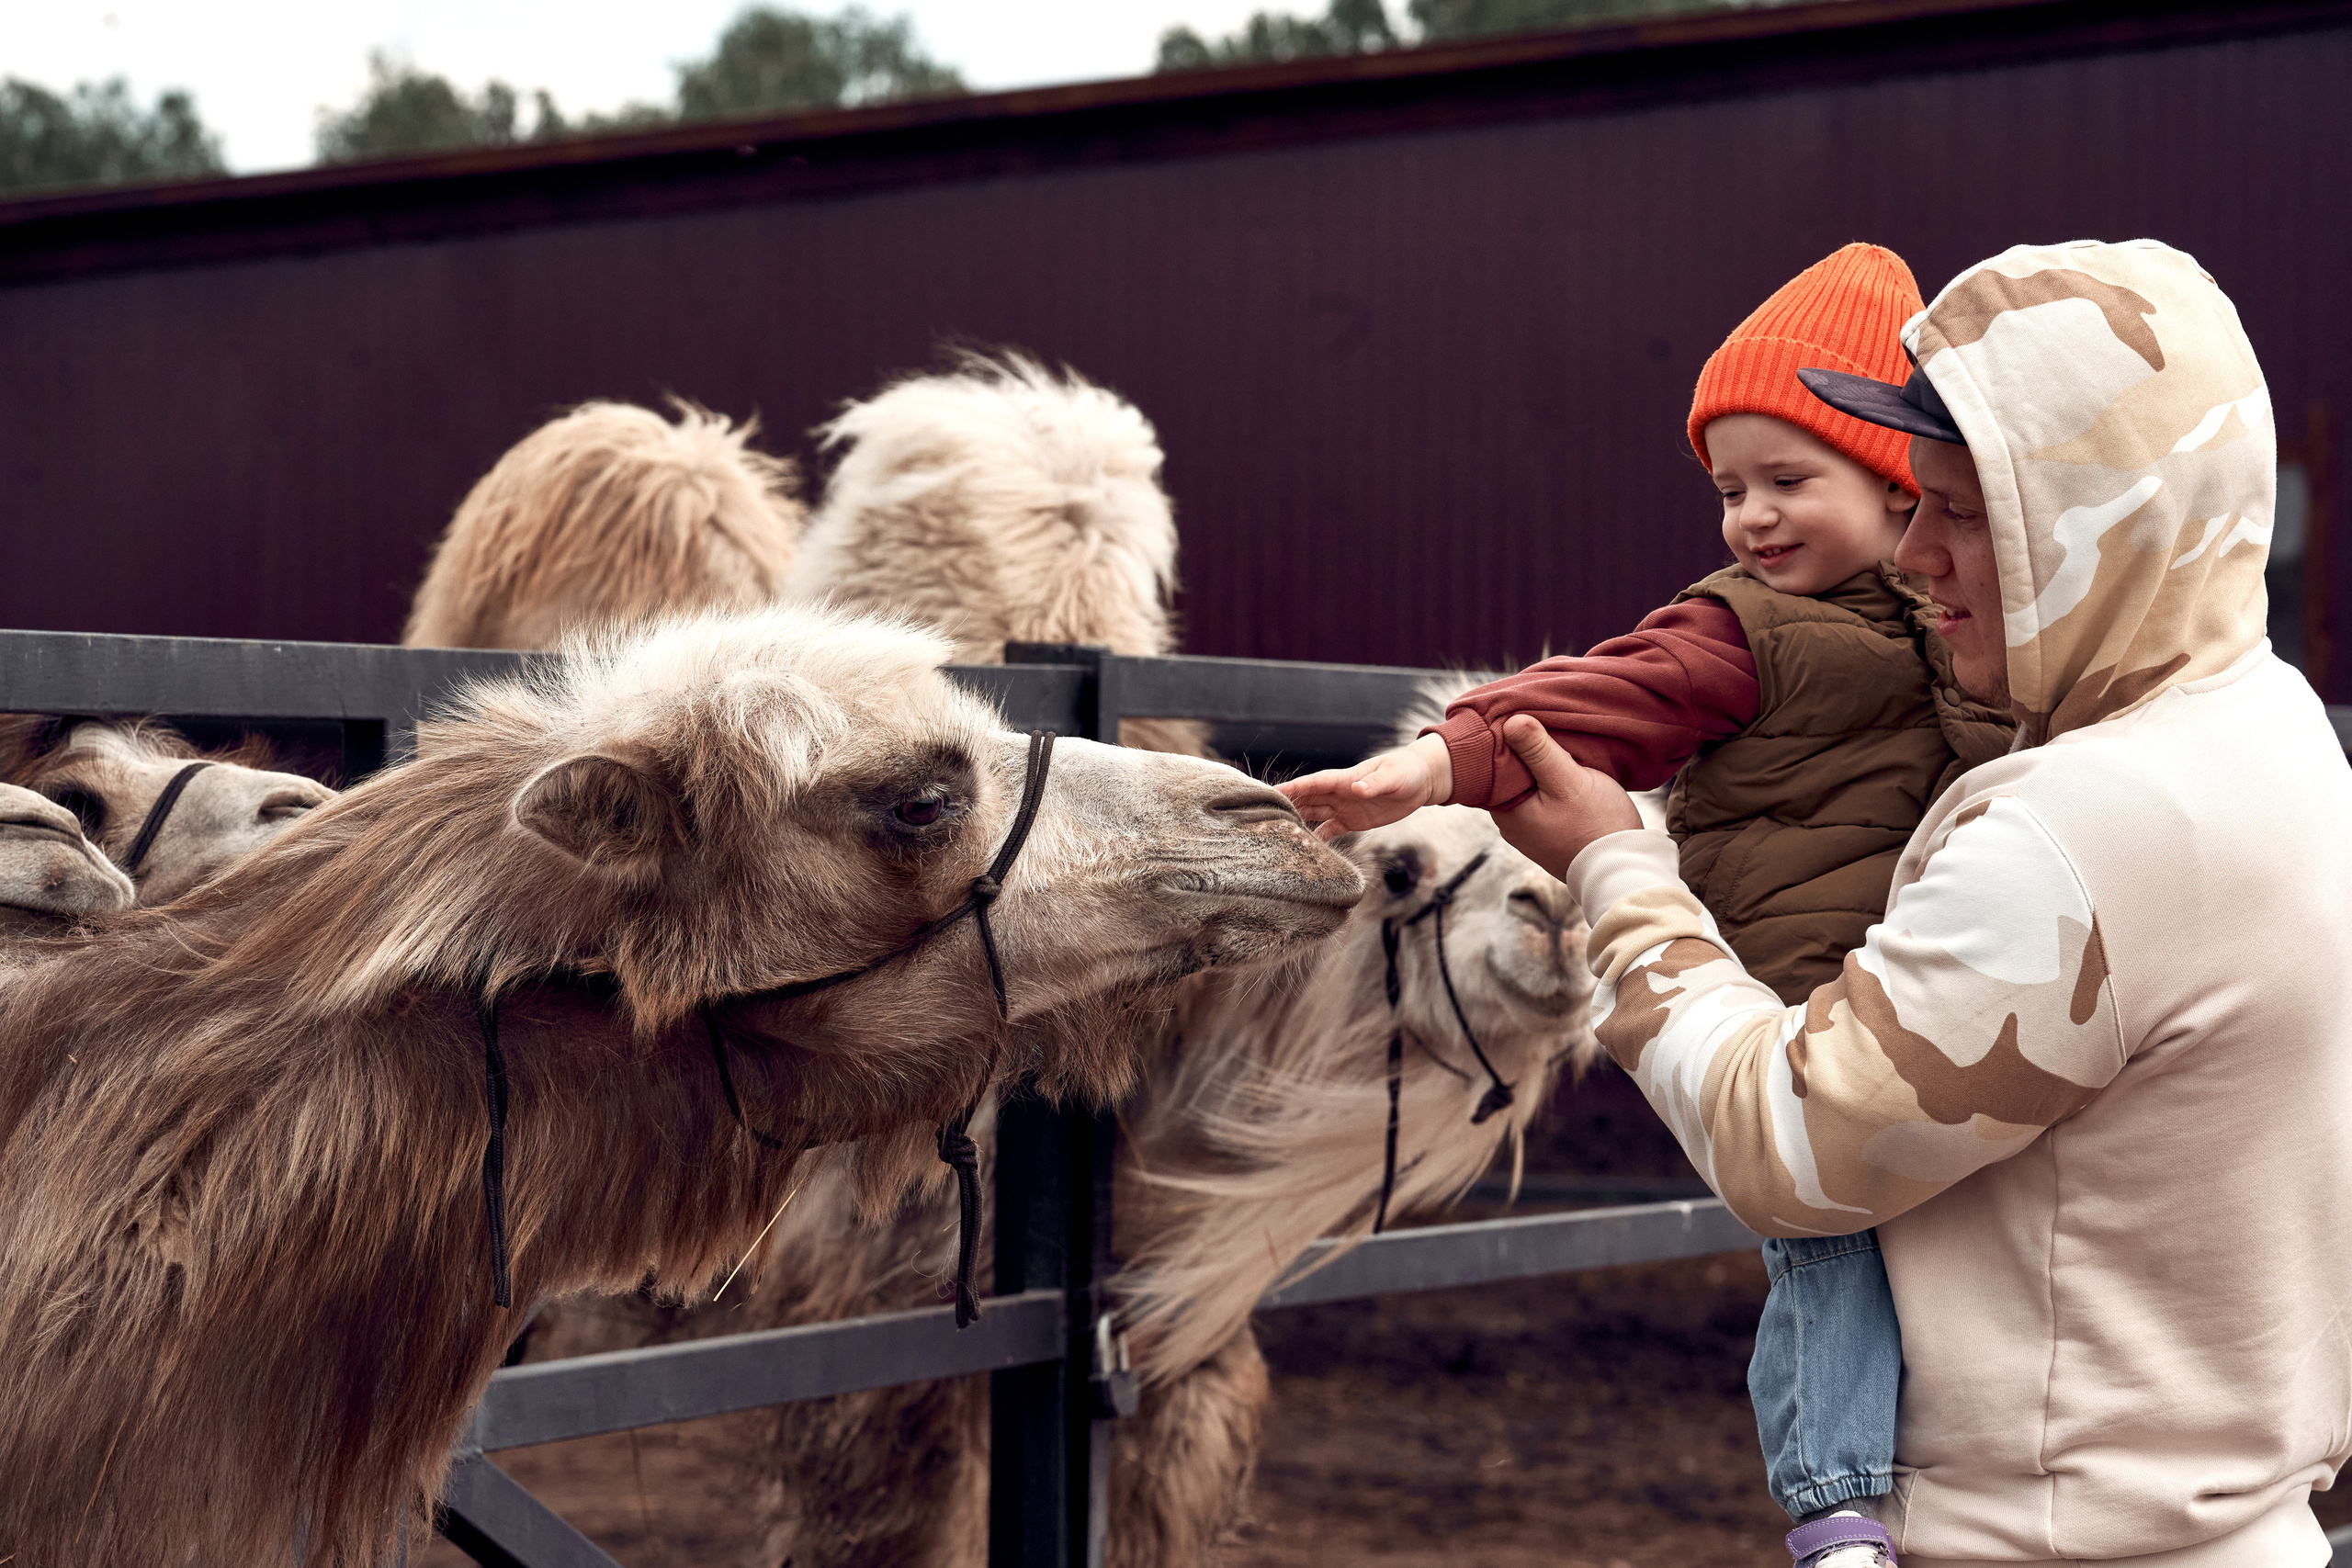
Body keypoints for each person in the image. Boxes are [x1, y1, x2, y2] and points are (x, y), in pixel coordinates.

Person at [1422, 239, 2352, 1566]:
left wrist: (1617, 870)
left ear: (2105, 519)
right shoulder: (2271, 726)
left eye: (1970, 513)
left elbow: (1792, 1147)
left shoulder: (2082, 829)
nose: (1912, 553)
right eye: (1915, 504)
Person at [1282, 242, 2011, 1566]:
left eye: (1791, 479)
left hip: (1939, 978)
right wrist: (1434, 766)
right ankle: (1837, 1505)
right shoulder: (1749, 628)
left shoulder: (1963, 620)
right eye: (1732, 488)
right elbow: (1600, 698)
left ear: (1899, 473)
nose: (1751, 518)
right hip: (1808, 993)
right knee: (1827, 1234)